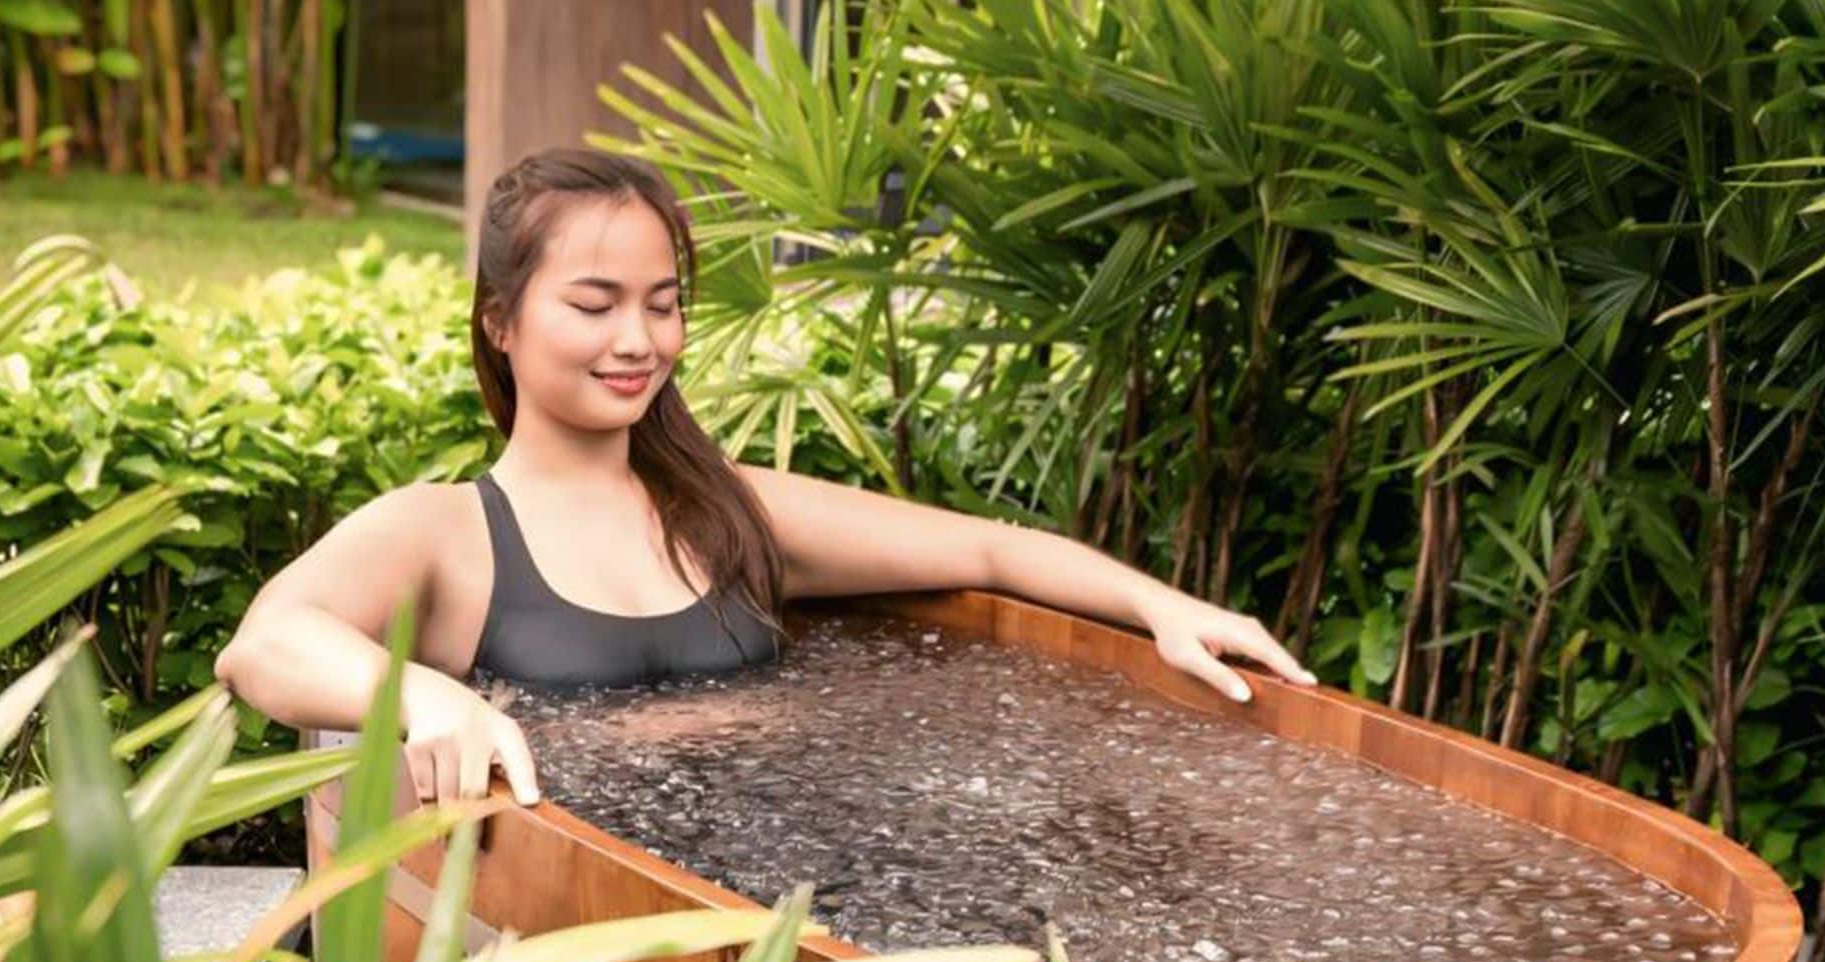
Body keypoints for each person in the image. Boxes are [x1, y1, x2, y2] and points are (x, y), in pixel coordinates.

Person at [214, 147, 1317, 808]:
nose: (637, 338)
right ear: (501, 323)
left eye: (662, 301)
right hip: (586, 944)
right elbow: (265, 644)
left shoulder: (723, 509)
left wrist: (1161, 607)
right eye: (593, 304)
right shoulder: (448, 533)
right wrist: (427, 697)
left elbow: (985, 549)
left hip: (788, 889)